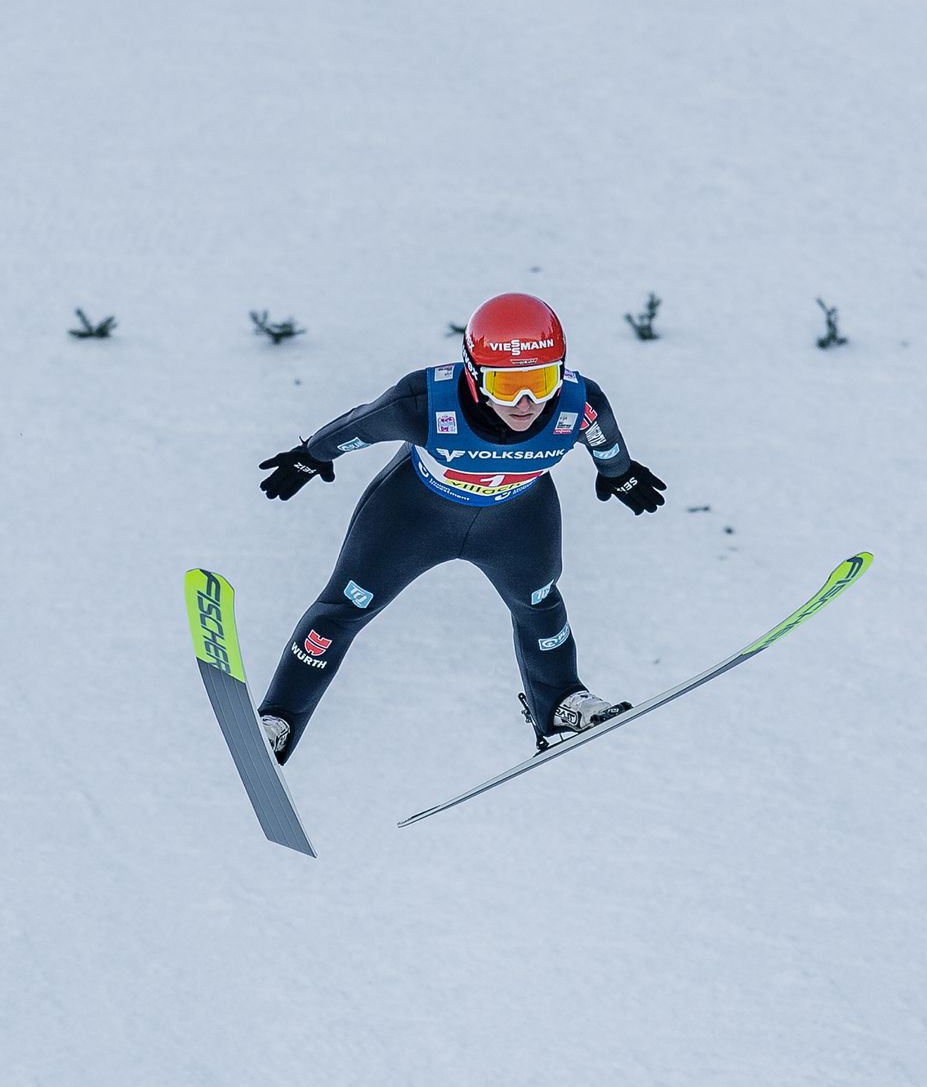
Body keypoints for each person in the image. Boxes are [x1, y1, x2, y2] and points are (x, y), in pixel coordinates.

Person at [253, 292, 666, 764]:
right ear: (474, 375)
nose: (527, 402)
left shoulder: (579, 402)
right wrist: (312, 455)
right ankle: (278, 720)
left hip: (517, 521)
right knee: (344, 607)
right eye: (507, 386)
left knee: (540, 606)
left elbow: (605, 440)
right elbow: (362, 424)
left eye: (542, 380)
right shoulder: (427, 401)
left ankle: (560, 703)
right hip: (413, 517)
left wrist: (619, 473)